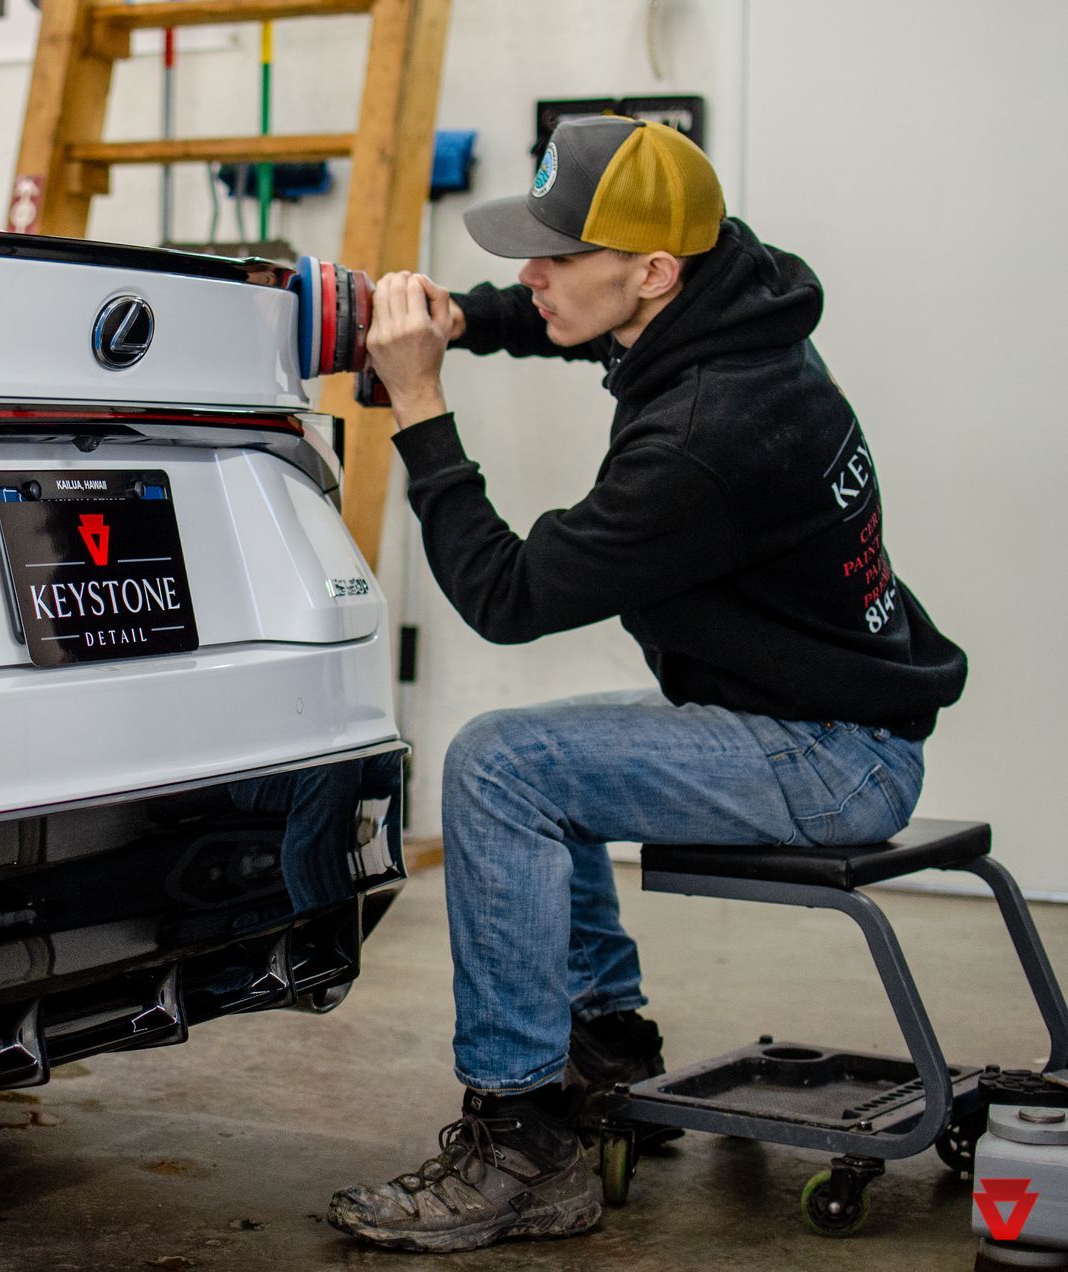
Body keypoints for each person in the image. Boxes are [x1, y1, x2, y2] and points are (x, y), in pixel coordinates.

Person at [324, 115, 967, 1253]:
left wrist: (420, 405)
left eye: (558, 256)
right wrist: (472, 318)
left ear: (653, 272)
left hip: (829, 755)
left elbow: (507, 597)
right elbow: (574, 317)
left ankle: (521, 1145)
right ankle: (605, 1043)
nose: (536, 277)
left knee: (501, 768)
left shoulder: (706, 438)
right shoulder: (731, 298)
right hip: (825, 713)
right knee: (530, 758)